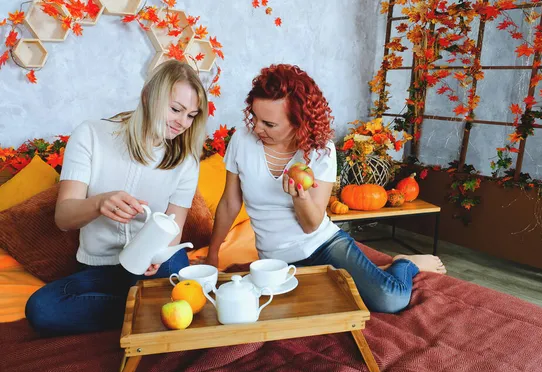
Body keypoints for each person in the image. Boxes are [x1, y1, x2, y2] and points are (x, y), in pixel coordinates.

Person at [206, 64, 446, 314]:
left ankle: (404, 264)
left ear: (298, 122)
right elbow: (229, 203)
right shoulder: (241, 141)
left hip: (324, 245)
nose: (256, 128)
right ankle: (374, 271)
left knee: (391, 299)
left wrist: (300, 197)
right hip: (276, 262)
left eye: (269, 123)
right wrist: (213, 254)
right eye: (254, 117)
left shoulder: (322, 151)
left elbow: (311, 225)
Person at [26, 60, 208, 336]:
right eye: (176, 110)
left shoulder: (185, 161)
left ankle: (152, 305)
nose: (183, 123)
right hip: (102, 269)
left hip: (154, 268)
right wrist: (99, 203)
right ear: (148, 96)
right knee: (41, 309)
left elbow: (174, 231)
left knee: (173, 265)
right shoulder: (91, 136)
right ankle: (152, 308)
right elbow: (63, 217)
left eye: (191, 115)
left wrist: (157, 255)